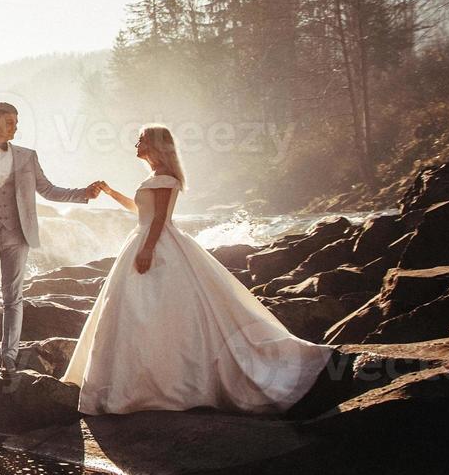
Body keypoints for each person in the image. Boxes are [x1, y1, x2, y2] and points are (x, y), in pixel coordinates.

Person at [61, 125, 334, 415]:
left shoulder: (166, 178)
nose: (136, 144)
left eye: (141, 139)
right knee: (129, 309)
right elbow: (141, 212)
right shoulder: (154, 178)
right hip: (143, 240)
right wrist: (110, 192)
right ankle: (135, 384)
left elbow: (160, 220)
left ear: (154, 144)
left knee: (158, 310)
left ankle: (167, 386)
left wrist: (148, 250)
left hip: (157, 244)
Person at [0, 102, 103, 373]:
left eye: (16, 121)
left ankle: (9, 355)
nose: (15, 126)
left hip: (19, 234)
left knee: (13, 297)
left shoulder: (28, 156)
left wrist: (83, 193)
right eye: (10, 122)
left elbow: (48, 190)